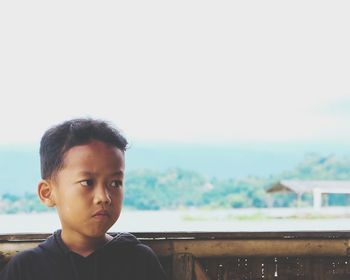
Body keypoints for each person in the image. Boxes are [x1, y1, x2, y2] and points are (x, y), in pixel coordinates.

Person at [0, 118, 166, 280]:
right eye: (87, 182)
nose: (104, 197)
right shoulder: (26, 268)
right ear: (47, 193)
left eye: (115, 183)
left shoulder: (138, 260)